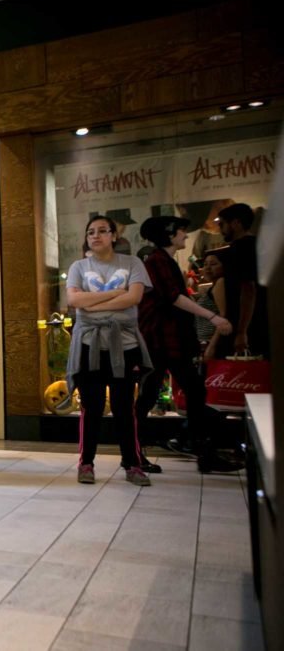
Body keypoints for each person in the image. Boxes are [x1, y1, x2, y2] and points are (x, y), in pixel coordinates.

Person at [134, 216, 240, 474]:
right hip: (160, 340)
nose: (185, 235)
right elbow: (173, 298)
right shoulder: (157, 261)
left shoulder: (165, 261)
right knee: (152, 395)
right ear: (170, 235)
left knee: (190, 391)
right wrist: (213, 316)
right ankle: (134, 453)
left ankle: (202, 451)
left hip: (171, 340)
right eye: (181, 231)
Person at [66, 215, 153, 487]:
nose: (96, 236)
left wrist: (91, 304)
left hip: (123, 346)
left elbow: (135, 297)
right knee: (90, 408)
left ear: (114, 235)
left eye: (103, 231)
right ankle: (86, 463)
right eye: (91, 231)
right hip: (88, 345)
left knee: (124, 407)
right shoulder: (79, 266)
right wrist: (116, 294)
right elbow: (74, 300)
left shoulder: (132, 263)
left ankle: (132, 463)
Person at [216, 203, 269, 359]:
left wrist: (242, 331)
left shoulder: (239, 249)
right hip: (262, 321)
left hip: (249, 325)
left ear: (236, 223)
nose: (220, 229)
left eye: (222, 224)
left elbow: (248, 288)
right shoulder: (260, 245)